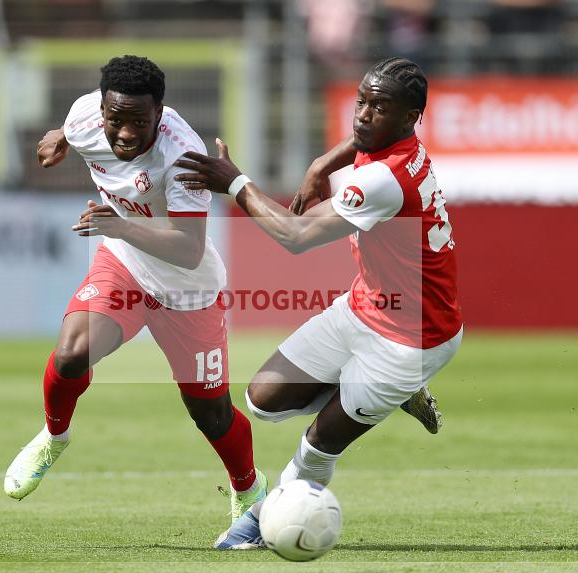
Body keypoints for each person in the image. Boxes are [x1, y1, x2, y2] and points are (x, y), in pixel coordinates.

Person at [174, 57, 463, 548]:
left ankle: (262, 527)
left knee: (318, 445)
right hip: (365, 305)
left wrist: (236, 184)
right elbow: (360, 139)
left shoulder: (384, 180)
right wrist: (319, 164)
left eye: (380, 107)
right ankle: (390, 396)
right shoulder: (393, 144)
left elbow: (297, 234)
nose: (363, 116)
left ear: (411, 117)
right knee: (261, 400)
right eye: (362, 101)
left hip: (412, 339)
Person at [3, 55, 267, 526]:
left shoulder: (184, 157)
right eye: (115, 119)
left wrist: (120, 226)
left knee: (211, 414)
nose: (124, 133)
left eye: (138, 123)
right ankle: (53, 436)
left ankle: (249, 488)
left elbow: (187, 250)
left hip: (189, 289)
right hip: (126, 268)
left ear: (160, 114)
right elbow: (77, 125)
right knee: (71, 353)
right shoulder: (87, 115)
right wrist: (60, 137)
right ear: (102, 110)